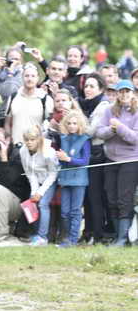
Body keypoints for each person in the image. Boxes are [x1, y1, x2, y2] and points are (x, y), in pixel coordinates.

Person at [96, 80, 138, 246]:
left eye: (127, 91)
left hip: (131, 161)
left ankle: (122, 238)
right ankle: (117, 235)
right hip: (111, 160)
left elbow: (134, 139)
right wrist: (111, 130)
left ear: (133, 93)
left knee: (124, 199)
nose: (124, 94)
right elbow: (99, 132)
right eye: (121, 92)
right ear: (117, 94)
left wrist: (119, 127)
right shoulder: (109, 111)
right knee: (111, 197)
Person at [79, 73, 111, 245]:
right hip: (87, 153)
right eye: (86, 86)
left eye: (92, 86)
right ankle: (88, 231)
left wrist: (76, 111)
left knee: (95, 195)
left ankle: (98, 234)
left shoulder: (102, 106)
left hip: (98, 154)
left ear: (100, 89)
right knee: (87, 196)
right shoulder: (88, 106)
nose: (88, 89)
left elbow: (90, 131)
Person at [20, 125, 59, 246]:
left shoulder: (48, 152)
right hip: (36, 180)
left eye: (32, 140)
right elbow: (29, 173)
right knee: (32, 203)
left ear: (39, 139)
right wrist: (34, 192)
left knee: (43, 204)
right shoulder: (23, 151)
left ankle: (43, 237)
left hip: (50, 180)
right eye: (27, 140)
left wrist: (40, 192)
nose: (29, 142)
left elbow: (53, 173)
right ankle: (36, 234)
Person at [56, 112, 91, 247]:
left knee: (75, 211)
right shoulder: (63, 138)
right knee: (65, 211)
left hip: (79, 180)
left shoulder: (85, 139)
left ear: (80, 124)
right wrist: (58, 157)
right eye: (69, 123)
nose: (71, 126)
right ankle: (66, 237)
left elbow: (85, 161)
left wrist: (68, 159)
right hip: (65, 179)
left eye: (75, 123)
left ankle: (73, 239)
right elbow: (61, 158)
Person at [4, 63, 53, 145]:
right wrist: (9, 138)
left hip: (36, 148)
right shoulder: (13, 97)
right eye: (27, 76)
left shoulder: (45, 99)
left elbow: (50, 125)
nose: (30, 79)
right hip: (16, 146)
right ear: (22, 77)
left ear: (38, 78)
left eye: (33, 76)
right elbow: (7, 123)